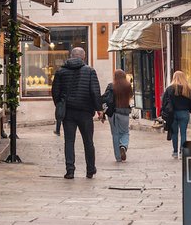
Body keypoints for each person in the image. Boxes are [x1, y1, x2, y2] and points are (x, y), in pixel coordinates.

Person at [50, 46, 104, 178]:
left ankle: (70, 170)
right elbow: (95, 92)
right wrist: (99, 109)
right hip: (85, 112)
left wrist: (60, 104)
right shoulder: (90, 71)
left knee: (69, 141)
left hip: (68, 112)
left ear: (71, 56)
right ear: (83, 57)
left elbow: (55, 92)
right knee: (88, 141)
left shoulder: (61, 71)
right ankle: (90, 169)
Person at [161, 70, 191, 158]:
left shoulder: (169, 89)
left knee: (174, 133)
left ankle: (175, 152)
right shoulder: (188, 90)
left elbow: (164, 102)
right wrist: (188, 111)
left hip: (172, 114)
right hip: (184, 113)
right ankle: (182, 152)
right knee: (183, 133)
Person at [102, 69, 134, 162]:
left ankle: (118, 157)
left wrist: (103, 112)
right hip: (124, 112)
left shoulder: (111, 86)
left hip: (113, 113)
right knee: (125, 132)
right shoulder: (128, 86)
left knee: (115, 134)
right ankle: (123, 146)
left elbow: (105, 99)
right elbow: (130, 96)